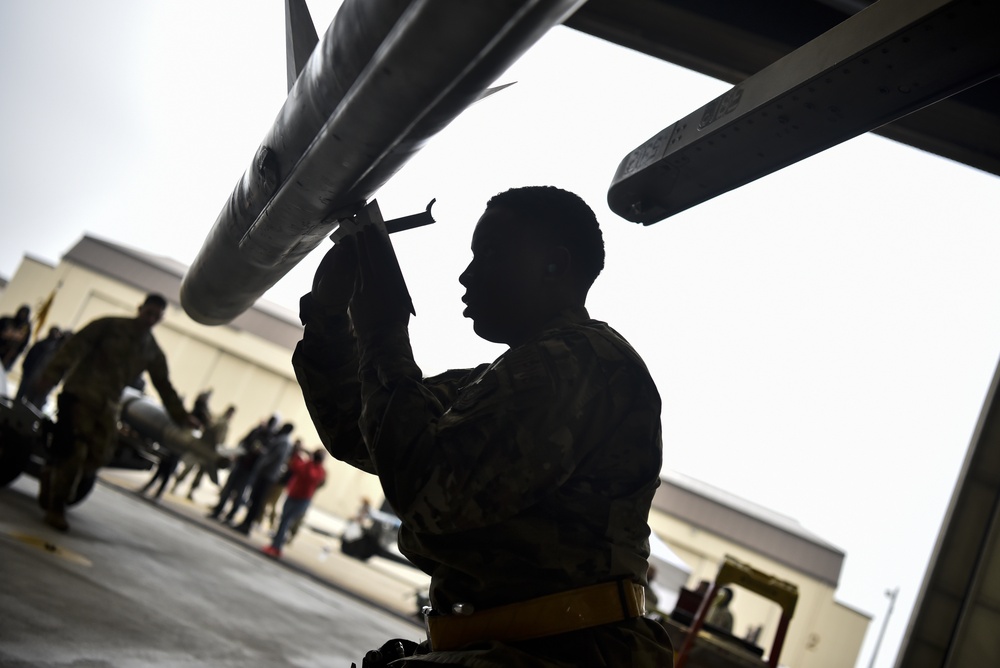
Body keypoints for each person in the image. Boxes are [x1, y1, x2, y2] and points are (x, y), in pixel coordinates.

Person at [293, 186, 671, 666]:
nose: (467, 275)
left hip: (561, 652)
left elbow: (427, 492)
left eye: (490, 254)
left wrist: (383, 333)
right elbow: (363, 431)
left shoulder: (576, 366)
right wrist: (329, 318)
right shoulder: (512, 376)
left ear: (554, 265)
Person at [32, 293, 196, 531]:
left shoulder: (151, 349)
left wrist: (182, 416)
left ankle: (51, 475)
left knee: (100, 454)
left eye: (157, 316)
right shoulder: (109, 326)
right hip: (81, 394)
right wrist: (51, 375)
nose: (151, 319)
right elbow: (74, 347)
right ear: (140, 309)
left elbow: (164, 384)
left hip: (108, 405)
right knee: (75, 450)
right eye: (149, 313)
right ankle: (56, 508)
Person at [262, 445, 326, 558]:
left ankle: (276, 547)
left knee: (285, 522)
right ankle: (276, 546)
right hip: (297, 497)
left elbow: (302, 470)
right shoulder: (319, 470)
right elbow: (297, 468)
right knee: (284, 522)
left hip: (300, 498)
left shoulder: (313, 468)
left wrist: (302, 457)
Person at [209, 415, 276, 522]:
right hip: (242, 464)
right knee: (229, 489)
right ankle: (219, 510)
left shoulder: (270, 438)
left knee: (239, 492)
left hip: (250, 469)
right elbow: (244, 441)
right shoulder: (257, 431)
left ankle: (230, 515)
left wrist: (259, 451)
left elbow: (266, 455)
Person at [232, 422, 295, 535]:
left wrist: (262, 463)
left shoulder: (283, 442)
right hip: (268, 474)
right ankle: (246, 523)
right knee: (255, 500)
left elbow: (273, 457)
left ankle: (247, 525)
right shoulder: (284, 441)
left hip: (267, 475)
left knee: (256, 501)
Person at [174, 404, 236, 500]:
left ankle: (184, 488)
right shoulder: (222, 423)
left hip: (205, 448)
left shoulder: (217, 419)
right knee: (192, 469)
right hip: (208, 450)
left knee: (195, 471)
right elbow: (218, 438)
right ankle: (182, 486)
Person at [15, 326, 65, 409]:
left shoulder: (55, 352)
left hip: (41, 380)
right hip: (31, 374)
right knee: (22, 395)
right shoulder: (43, 345)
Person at [0, 304, 32, 372]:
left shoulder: (26, 329)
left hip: (9, 355)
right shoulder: (6, 320)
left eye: (25, 313)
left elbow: (23, 344)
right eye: (22, 312)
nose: (22, 315)